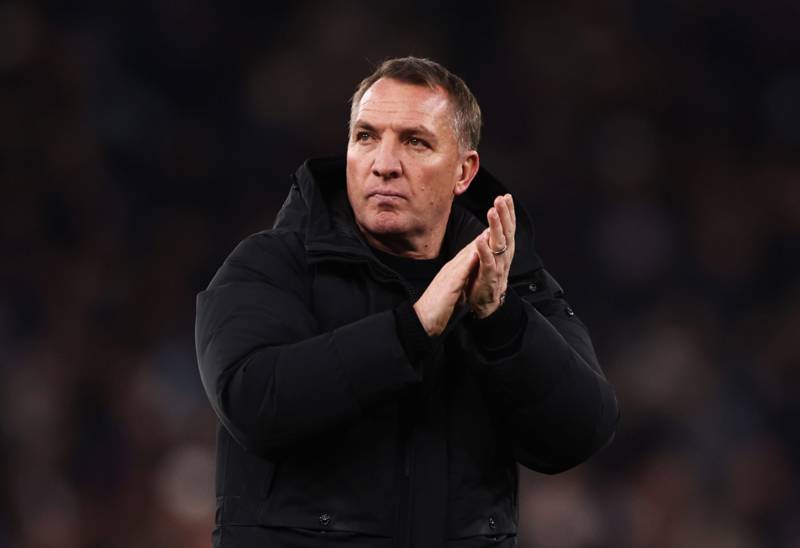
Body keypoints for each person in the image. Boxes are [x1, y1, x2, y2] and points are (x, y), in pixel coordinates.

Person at [195, 56, 619, 548]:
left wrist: (499, 320)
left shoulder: (508, 281)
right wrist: (411, 330)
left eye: (415, 142)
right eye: (366, 137)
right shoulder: (272, 264)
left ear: (464, 171)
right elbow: (252, 403)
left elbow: (582, 432)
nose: (384, 164)